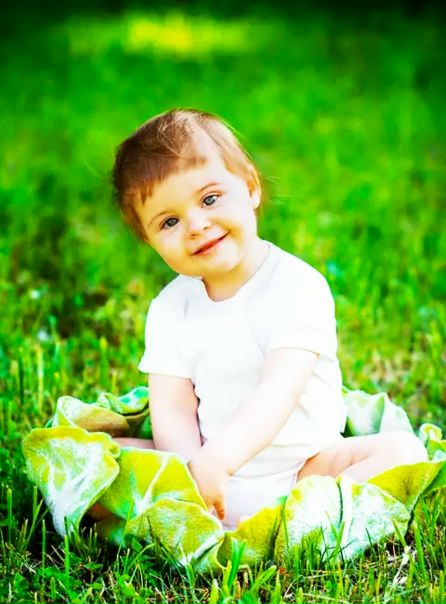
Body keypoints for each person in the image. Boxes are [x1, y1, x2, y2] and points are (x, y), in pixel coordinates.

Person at [110, 108, 427, 529]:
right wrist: (193, 475)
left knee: (403, 454)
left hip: (307, 468)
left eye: (209, 199)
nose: (197, 225)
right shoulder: (169, 308)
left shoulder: (297, 286)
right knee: (99, 457)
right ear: (150, 242)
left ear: (250, 188)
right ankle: (226, 519)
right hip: (207, 468)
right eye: (169, 221)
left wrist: (222, 458)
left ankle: (294, 519)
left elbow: (279, 390)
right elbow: (172, 409)